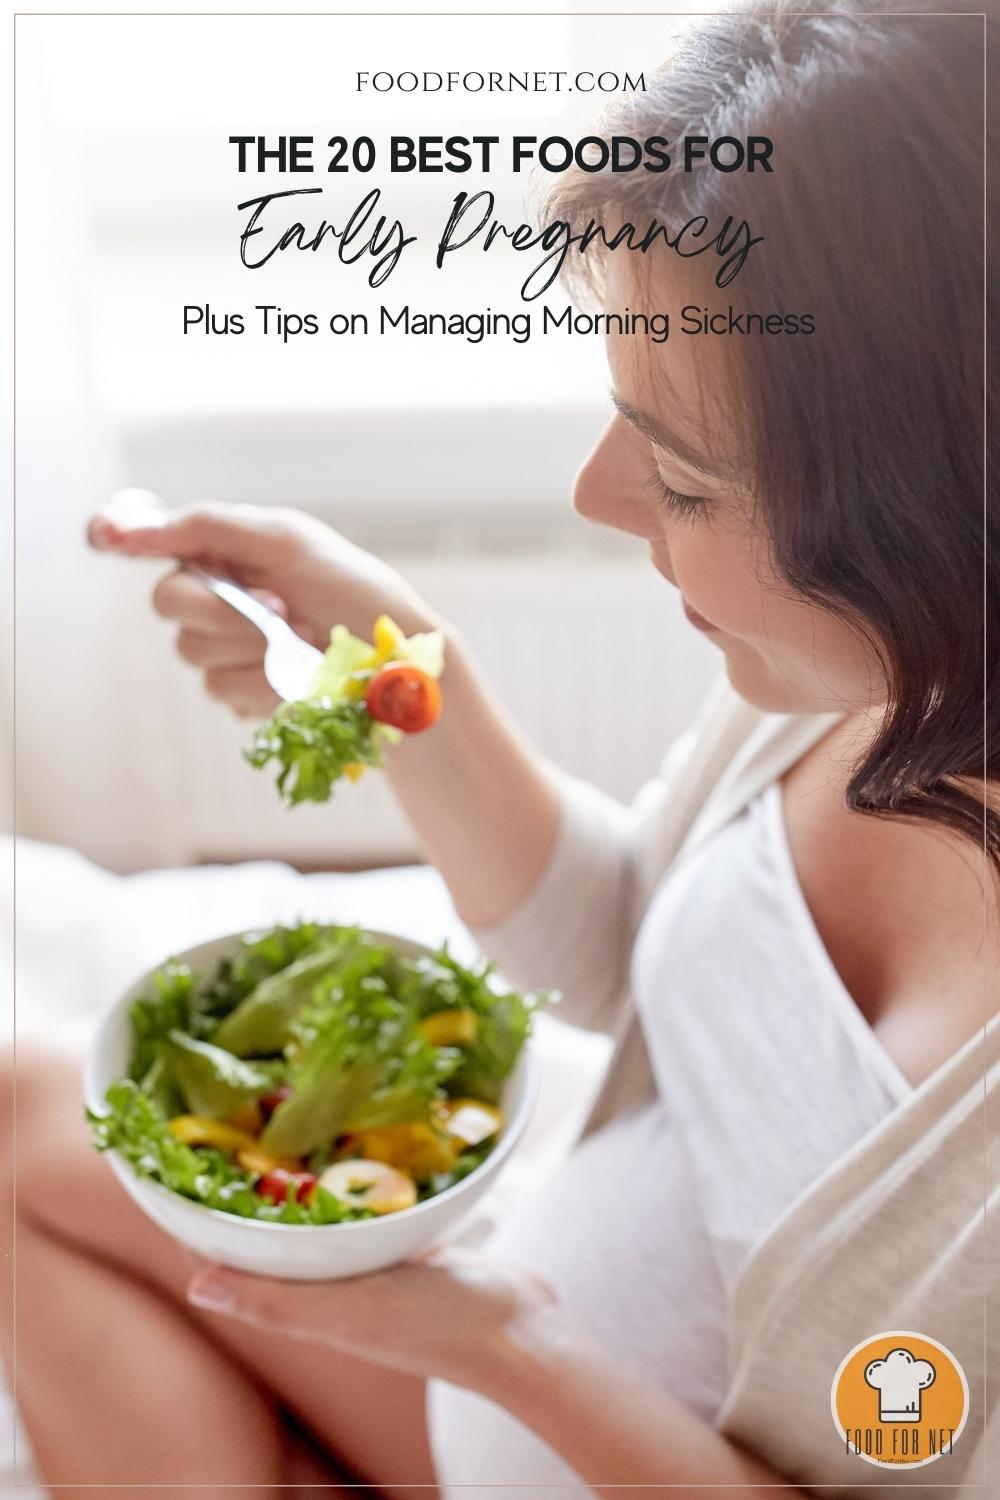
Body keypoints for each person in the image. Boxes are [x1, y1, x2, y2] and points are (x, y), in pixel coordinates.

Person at [3, 2, 996, 1495]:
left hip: (547, 1404)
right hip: (498, 1393)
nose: (599, 496)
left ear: (931, 528)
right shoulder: (865, 679)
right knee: (23, 1113)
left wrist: (503, 1347)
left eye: (680, 473)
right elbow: (622, 945)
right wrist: (408, 673)